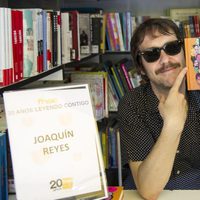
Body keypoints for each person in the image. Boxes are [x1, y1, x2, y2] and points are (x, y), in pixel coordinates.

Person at [118, 18, 200, 200]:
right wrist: (172, 124)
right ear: (141, 66)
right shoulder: (132, 103)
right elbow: (149, 190)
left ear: (185, 51)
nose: (165, 60)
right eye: (151, 54)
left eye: (172, 48)